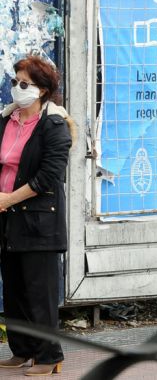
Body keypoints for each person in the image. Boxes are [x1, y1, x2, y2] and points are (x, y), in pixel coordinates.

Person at [0, 55, 74, 376]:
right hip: (7, 219)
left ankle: (49, 355)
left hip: (39, 220)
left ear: (42, 90)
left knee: (39, 292)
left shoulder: (53, 126)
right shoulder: (7, 121)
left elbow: (47, 178)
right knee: (14, 288)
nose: (18, 87)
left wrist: (8, 198)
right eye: (15, 81)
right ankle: (23, 349)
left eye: (25, 83)